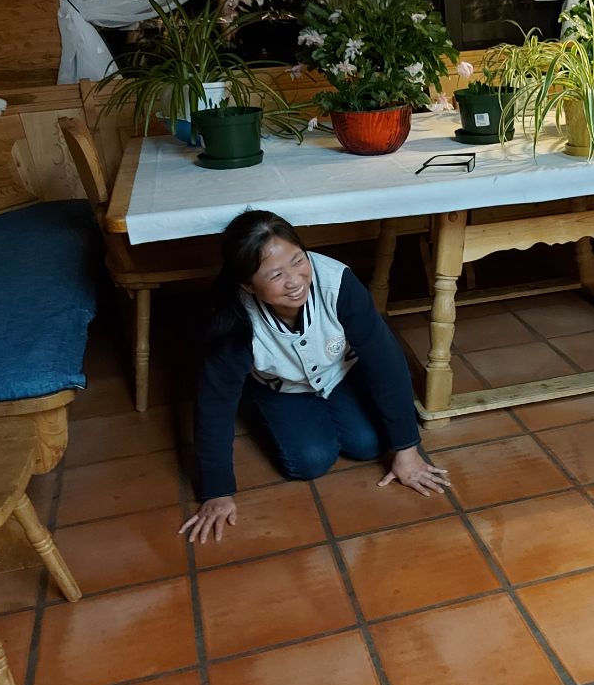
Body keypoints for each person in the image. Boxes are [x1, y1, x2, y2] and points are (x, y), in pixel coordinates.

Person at [180, 210, 451, 543]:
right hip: (281, 388)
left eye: (298, 261)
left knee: (369, 443)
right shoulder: (234, 318)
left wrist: (407, 448)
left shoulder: (337, 281)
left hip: (339, 373)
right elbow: (215, 404)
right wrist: (217, 490)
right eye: (276, 274)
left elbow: (386, 362)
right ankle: (254, 401)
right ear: (247, 285)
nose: (294, 281)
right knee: (310, 461)